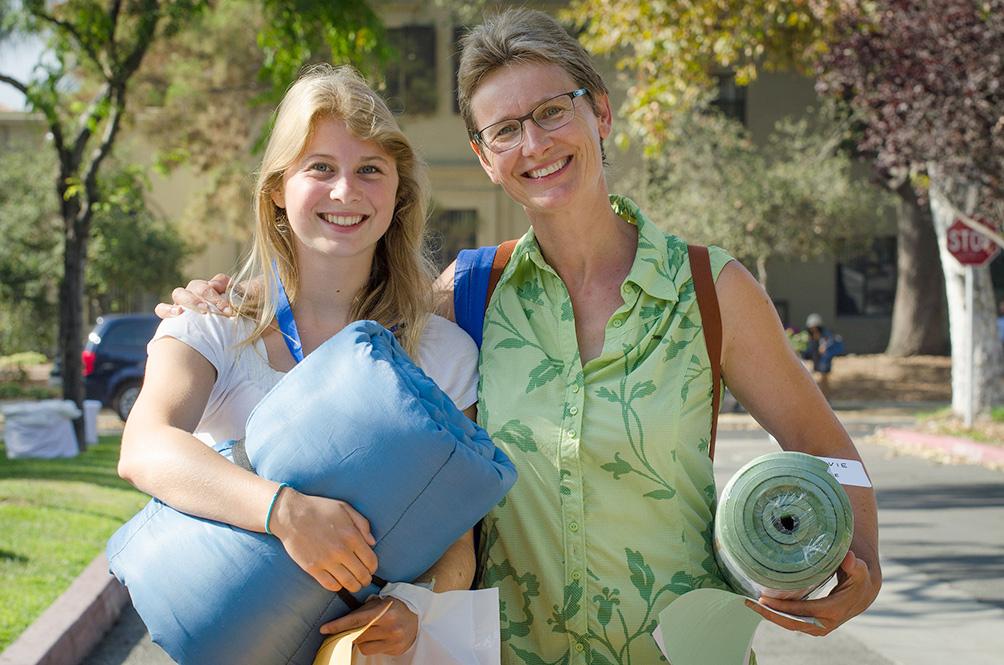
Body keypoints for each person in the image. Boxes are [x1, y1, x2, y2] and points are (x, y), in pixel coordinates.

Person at [160, 9, 881, 664]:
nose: (534, 143)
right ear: (484, 156)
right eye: (505, 129)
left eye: (550, 112)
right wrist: (230, 298)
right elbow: (343, 337)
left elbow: (827, 453)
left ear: (599, 112)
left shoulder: (710, 291)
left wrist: (865, 565)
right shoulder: (465, 296)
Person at [120, 64, 481, 657]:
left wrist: (416, 607)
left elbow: (456, 537)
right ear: (277, 192)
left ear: (399, 192)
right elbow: (144, 447)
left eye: (370, 170)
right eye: (321, 168)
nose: (346, 192)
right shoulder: (213, 322)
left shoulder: (443, 351)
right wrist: (283, 512)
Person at [803, 313, 843, 398]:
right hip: (816, 360)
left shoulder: (826, 335)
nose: (812, 329)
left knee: (824, 381)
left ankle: (825, 398)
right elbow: (809, 350)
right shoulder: (810, 337)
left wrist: (824, 347)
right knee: (816, 381)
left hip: (824, 361)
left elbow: (831, 345)